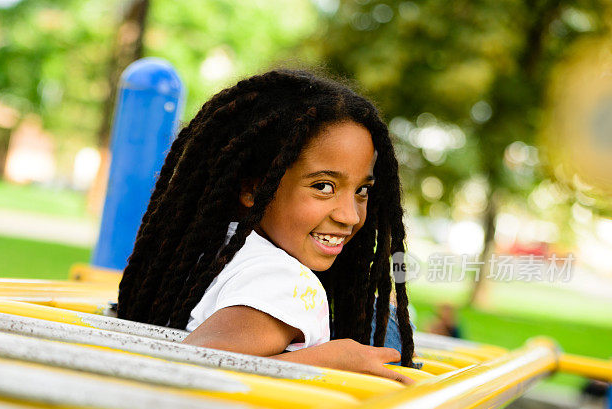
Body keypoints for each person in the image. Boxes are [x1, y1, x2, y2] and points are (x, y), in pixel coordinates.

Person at [117, 69, 415, 384]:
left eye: (362, 191)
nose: (350, 216)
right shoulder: (286, 282)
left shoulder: (212, 249)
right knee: (387, 325)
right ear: (254, 189)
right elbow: (185, 368)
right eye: (324, 186)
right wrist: (328, 361)